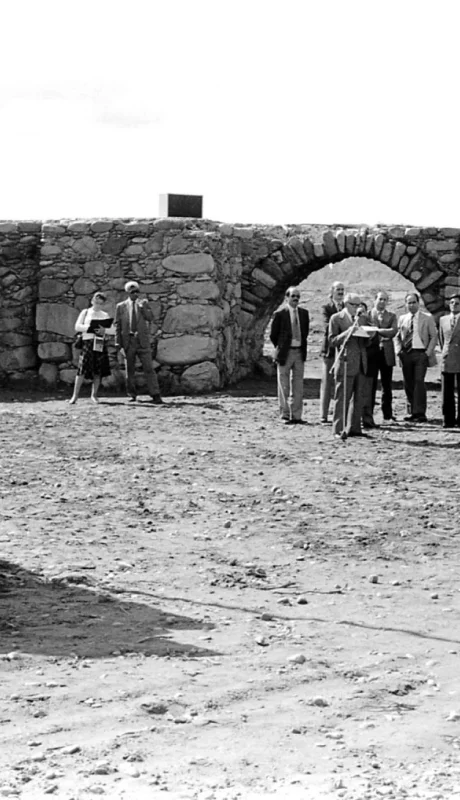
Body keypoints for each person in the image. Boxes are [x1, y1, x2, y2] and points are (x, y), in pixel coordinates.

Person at [115, 281, 163, 404]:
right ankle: (132, 394)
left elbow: (150, 318)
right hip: (128, 341)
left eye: (137, 291)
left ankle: (155, 394)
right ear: (127, 293)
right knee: (129, 369)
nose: (135, 294)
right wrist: (118, 343)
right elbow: (118, 325)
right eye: (132, 292)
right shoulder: (121, 306)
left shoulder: (144, 303)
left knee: (149, 368)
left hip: (142, 341)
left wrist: (142, 308)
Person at [328, 292, 368, 438]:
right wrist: (348, 332)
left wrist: (370, 334)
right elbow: (332, 341)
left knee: (358, 398)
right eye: (354, 305)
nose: (358, 308)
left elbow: (365, 342)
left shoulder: (363, 319)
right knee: (342, 398)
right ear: (346, 304)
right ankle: (338, 429)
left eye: (359, 305)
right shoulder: (336, 318)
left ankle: (354, 428)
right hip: (345, 363)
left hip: (361, 363)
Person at [395, 292, 437, 423]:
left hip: (420, 354)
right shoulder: (402, 318)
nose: (411, 305)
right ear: (406, 304)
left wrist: (427, 353)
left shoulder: (427, 318)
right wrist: (399, 351)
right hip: (406, 354)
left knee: (419, 382)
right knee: (408, 382)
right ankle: (412, 411)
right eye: (409, 303)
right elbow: (397, 336)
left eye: (414, 302)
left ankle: (420, 412)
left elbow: (433, 336)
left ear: (418, 303)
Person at [270, 286, 310, 424]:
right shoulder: (280, 314)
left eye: (298, 296)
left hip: (299, 352)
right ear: (287, 297)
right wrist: (281, 347)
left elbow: (305, 333)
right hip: (285, 354)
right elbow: (273, 335)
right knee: (284, 385)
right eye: (293, 296)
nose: (296, 299)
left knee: (298, 385)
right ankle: (285, 414)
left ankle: (297, 415)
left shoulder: (304, 314)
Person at [69, 291, 114, 405]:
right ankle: (75, 395)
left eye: (100, 303)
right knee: (82, 368)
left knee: (97, 369)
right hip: (87, 341)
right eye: (96, 302)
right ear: (92, 301)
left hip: (99, 342)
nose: (97, 305)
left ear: (103, 304)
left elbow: (112, 330)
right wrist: (91, 328)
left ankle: (94, 395)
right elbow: (77, 326)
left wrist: (104, 330)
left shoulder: (104, 315)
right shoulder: (85, 312)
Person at [369, 291, 397, 422]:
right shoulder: (368, 315)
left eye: (385, 300)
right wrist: (383, 333)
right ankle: (368, 413)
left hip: (387, 353)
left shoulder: (392, 316)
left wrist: (377, 331)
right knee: (371, 384)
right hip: (372, 353)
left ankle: (387, 414)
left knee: (387, 385)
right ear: (375, 300)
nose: (382, 302)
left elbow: (393, 331)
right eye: (380, 299)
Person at [319, 281, 345, 423]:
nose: (340, 292)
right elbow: (327, 326)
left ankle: (338, 414)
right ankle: (323, 415)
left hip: (343, 350)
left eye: (342, 289)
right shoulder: (326, 307)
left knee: (340, 383)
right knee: (327, 383)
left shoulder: (347, 307)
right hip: (329, 350)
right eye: (338, 289)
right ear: (332, 291)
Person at [356, 301, 380, 430]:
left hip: (369, 366)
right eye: (359, 312)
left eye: (363, 311)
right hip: (355, 366)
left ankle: (367, 419)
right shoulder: (351, 326)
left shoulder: (372, 328)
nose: (361, 315)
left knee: (368, 394)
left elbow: (374, 345)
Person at [438, 294, 460, 428]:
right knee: (447, 391)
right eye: (452, 303)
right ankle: (448, 419)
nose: (454, 305)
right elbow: (442, 339)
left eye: (457, 303)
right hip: (447, 358)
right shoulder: (443, 320)